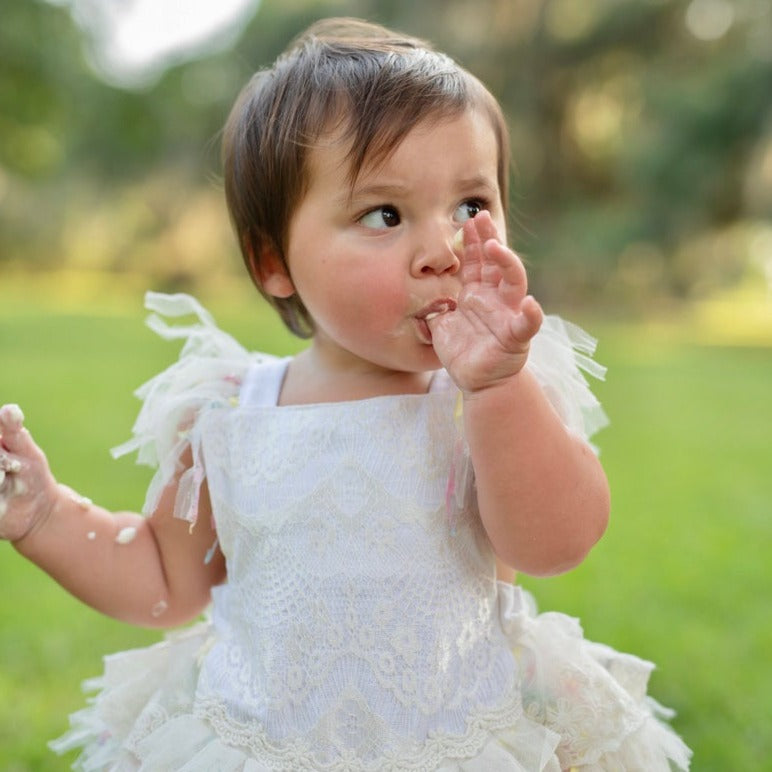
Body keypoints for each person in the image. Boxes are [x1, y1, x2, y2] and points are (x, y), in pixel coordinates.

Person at [0, 17, 691, 771]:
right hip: (270, 738)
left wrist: (497, 387)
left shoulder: (490, 397)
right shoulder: (232, 411)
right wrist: (45, 517)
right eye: (384, 215)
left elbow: (557, 542)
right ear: (274, 263)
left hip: (457, 733)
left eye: (470, 206)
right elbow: (165, 583)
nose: (443, 251)